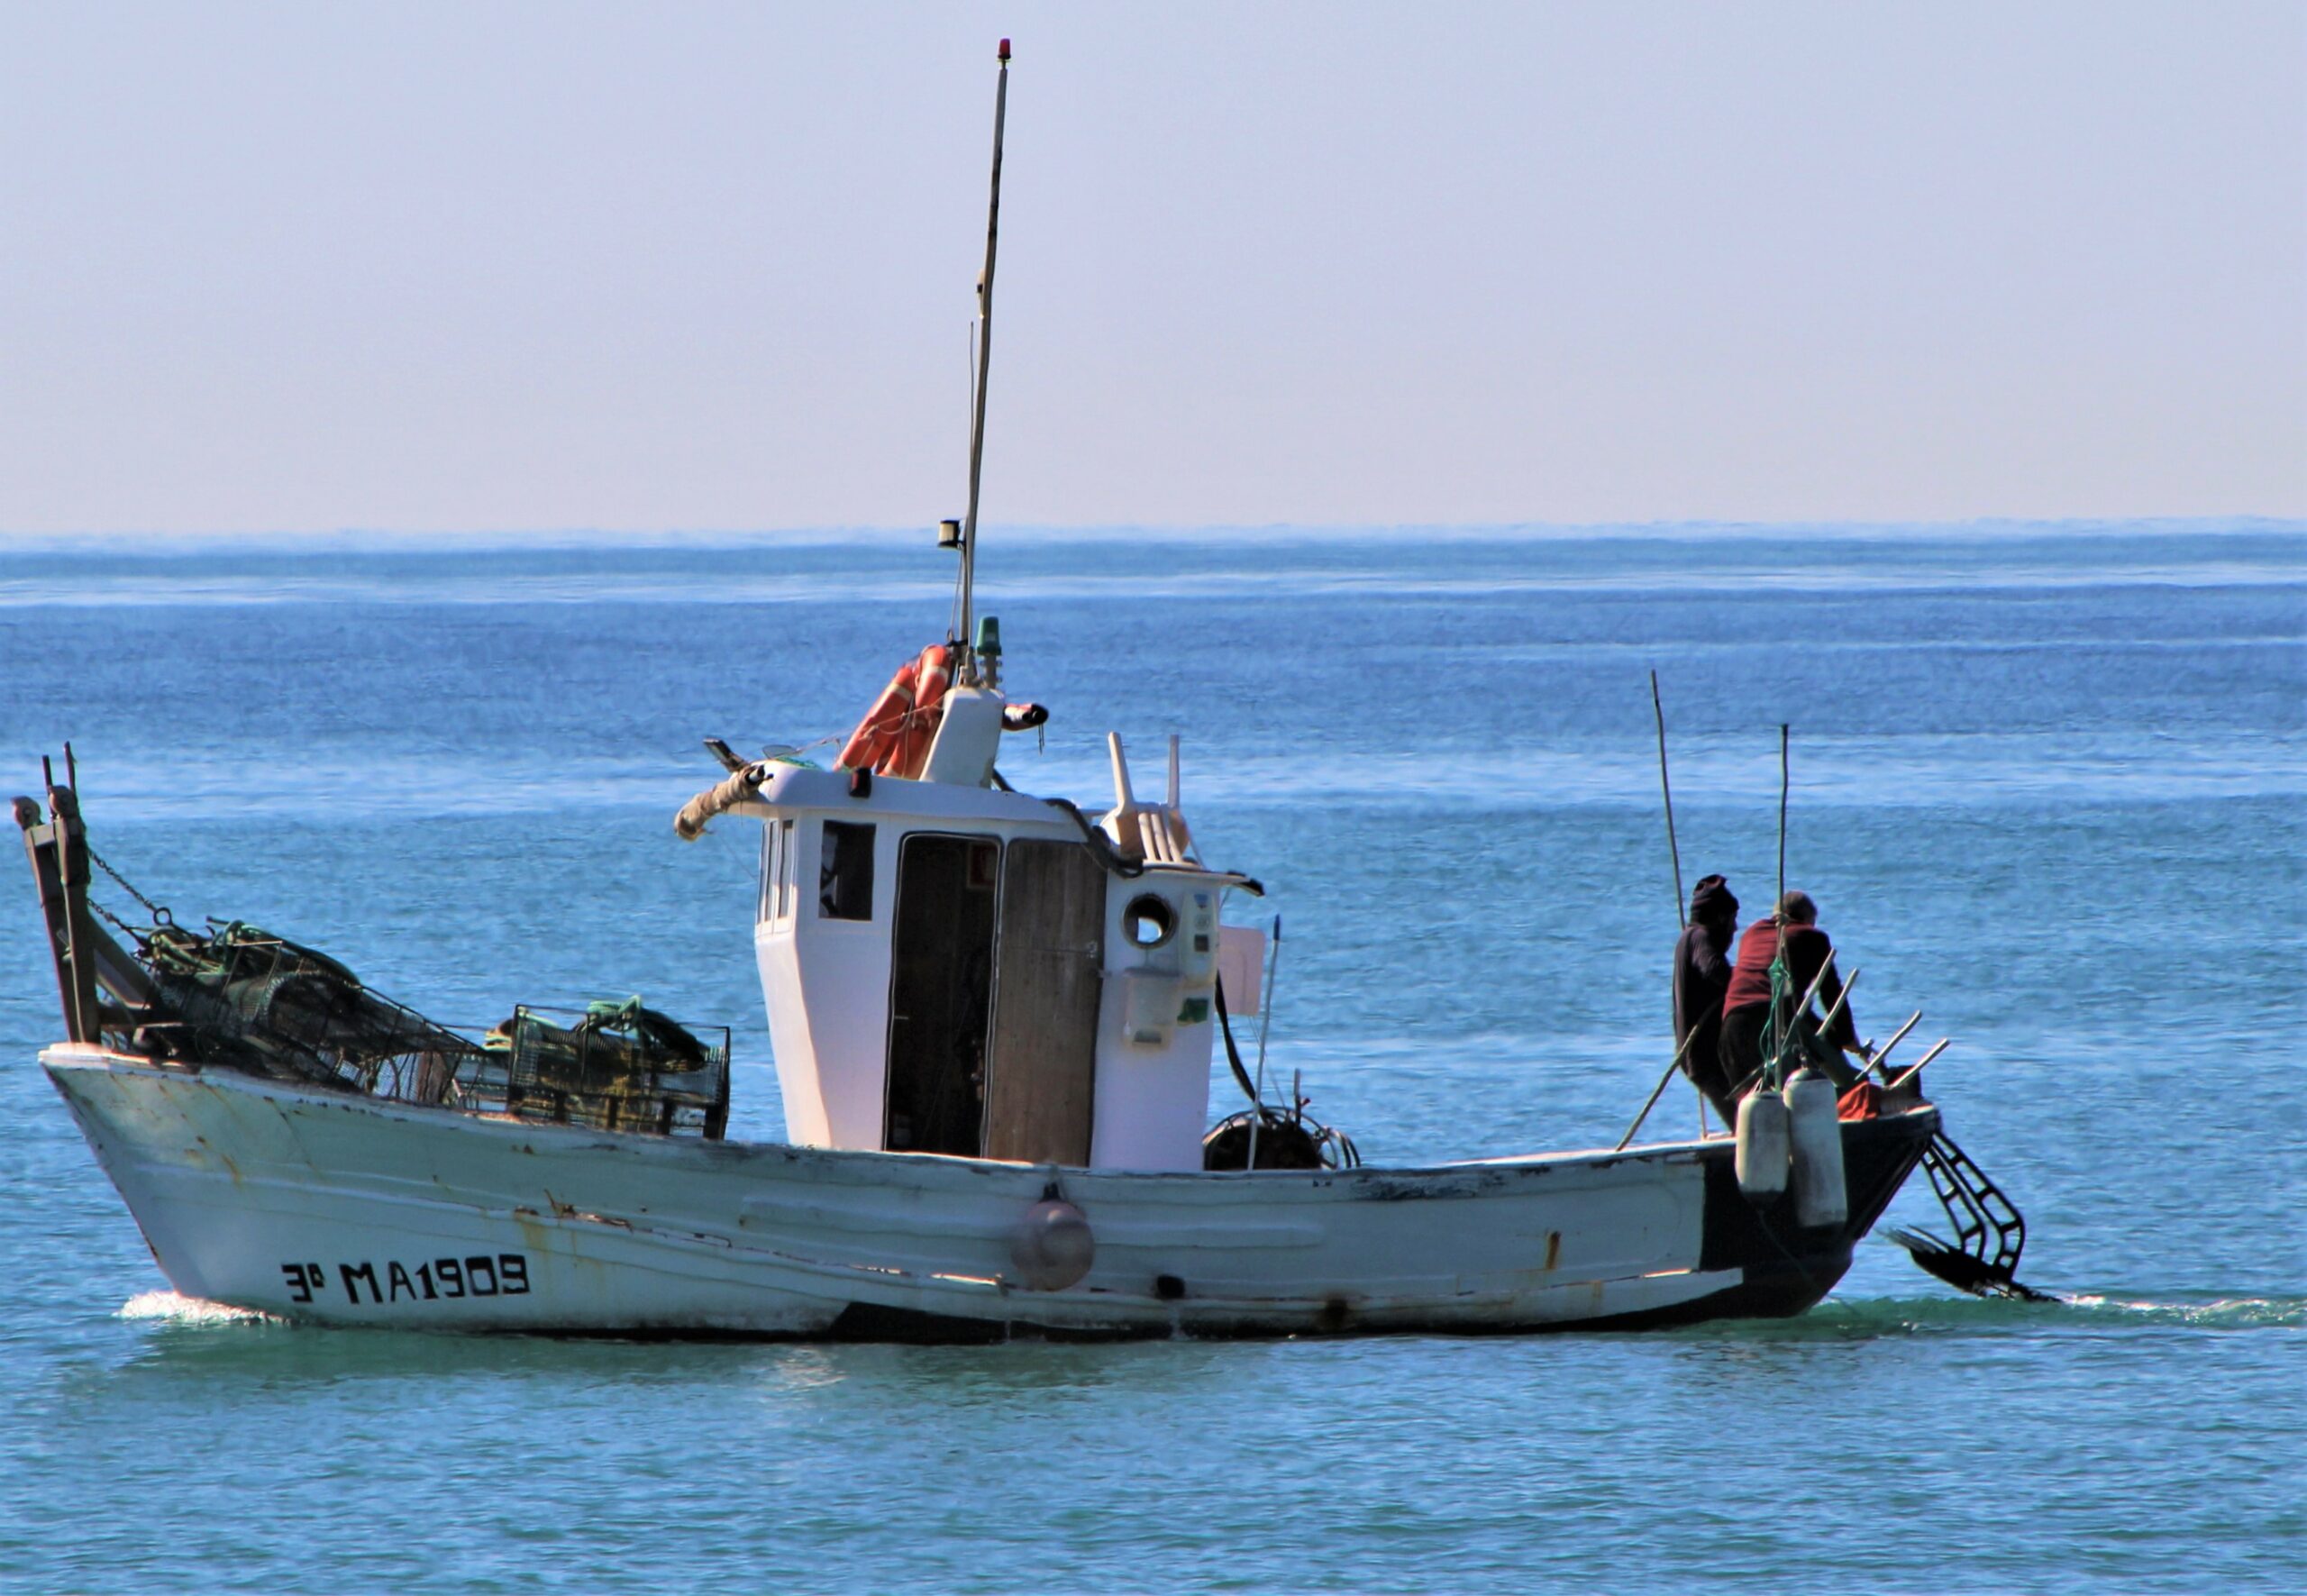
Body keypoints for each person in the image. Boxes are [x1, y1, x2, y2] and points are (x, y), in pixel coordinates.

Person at [1718, 889, 1870, 1093]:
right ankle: (1853, 1092)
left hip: (1732, 1023)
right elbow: (1831, 994)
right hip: (1773, 1020)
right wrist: (1847, 1038)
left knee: (1749, 1103)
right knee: (1797, 1093)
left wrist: (1838, 1037)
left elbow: (1795, 1005)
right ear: (1807, 918)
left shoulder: (1751, 933)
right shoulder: (1812, 936)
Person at [1672, 875, 1741, 1118]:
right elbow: (1714, 969)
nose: (1735, 928)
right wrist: (1751, 982)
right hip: (1704, 1056)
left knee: (1745, 1113)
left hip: (1701, 1055)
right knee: (1744, 1121)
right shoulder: (1700, 937)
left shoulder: (1687, 937)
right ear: (1720, 918)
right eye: (1732, 920)